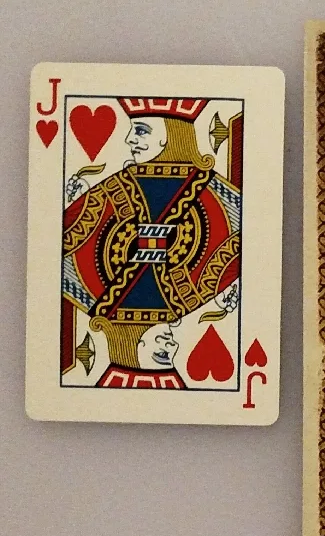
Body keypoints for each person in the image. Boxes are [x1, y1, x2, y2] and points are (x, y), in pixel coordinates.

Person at [61, 97, 241, 388]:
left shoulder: (220, 197)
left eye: (142, 130)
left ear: (170, 135)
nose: (130, 140)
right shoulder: (115, 190)